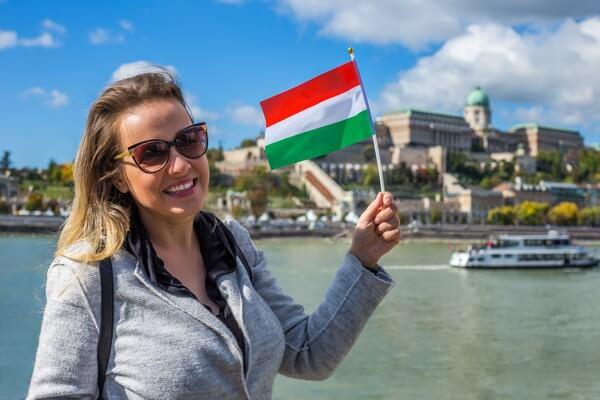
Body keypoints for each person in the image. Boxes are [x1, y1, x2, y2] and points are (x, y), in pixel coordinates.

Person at [27, 67, 399, 399]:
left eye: (189, 140)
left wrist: (362, 258)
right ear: (117, 177)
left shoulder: (234, 243)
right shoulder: (88, 273)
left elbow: (307, 354)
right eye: (152, 153)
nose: (180, 164)